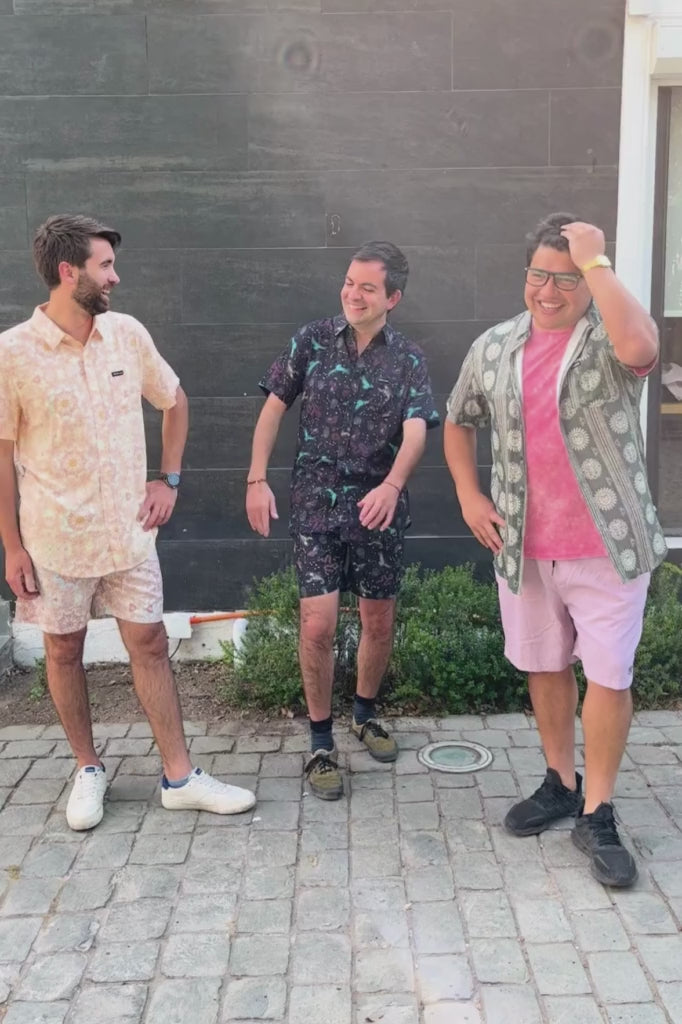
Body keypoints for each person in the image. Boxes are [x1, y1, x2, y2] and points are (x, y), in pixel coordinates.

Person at [0, 214, 255, 830]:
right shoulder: (12, 354)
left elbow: (175, 400)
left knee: (150, 643)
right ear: (69, 272)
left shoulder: (127, 334)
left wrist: (168, 479)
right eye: (105, 265)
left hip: (130, 535)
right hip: (54, 538)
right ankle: (88, 768)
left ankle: (180, 776)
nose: (116, 277)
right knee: (64, 650)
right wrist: (12, 547)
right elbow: (1, 457)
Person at [444, 213, 667, 887]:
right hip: (523, 545)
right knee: (544, 666)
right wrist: (469, 496)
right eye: (539, 275)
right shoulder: (495, 346)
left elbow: (643, 346)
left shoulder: (608, 335)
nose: (549, 291)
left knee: (609, 676)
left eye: (567, 279)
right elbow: (458, 419)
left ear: (589, 281)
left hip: (607, 543)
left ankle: (598, 812)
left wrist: (596, 262)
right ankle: (560, 783)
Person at [246, 241, 439, 799]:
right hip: (316, 505)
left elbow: (417, 431)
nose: (353, 294)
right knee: (318, 624)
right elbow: (273, 408)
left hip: (379, 507)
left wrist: (393, 484)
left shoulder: (409, 359)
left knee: (378, 621)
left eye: (367, 287)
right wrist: (256, 479)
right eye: (349, 283)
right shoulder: (311, 340)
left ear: (392, 298)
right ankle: (320, 743)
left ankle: (365, 713)